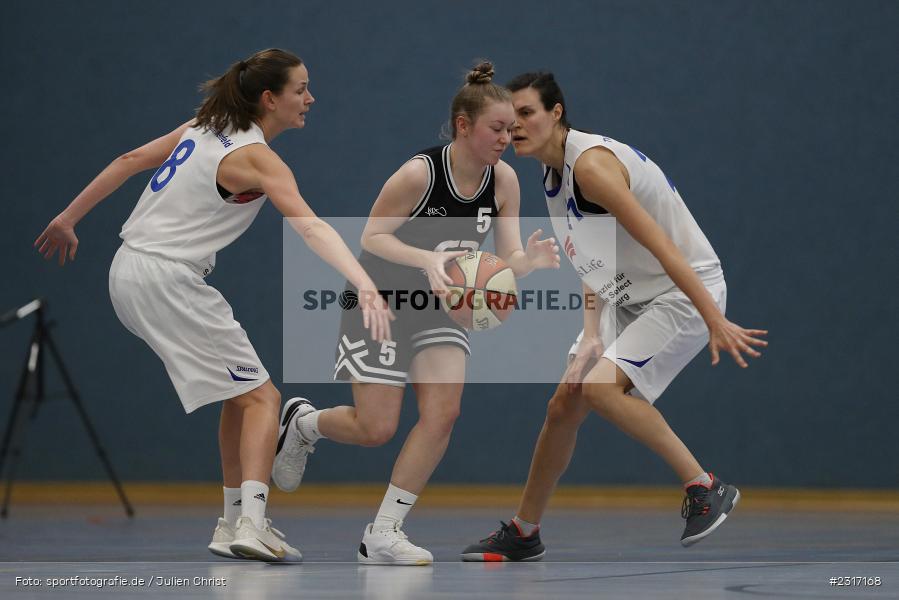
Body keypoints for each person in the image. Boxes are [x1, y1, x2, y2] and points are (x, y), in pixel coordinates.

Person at [33, 48, 392, 562]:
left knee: (240, 393)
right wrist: (363, 280)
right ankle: (252, 522)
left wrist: (68, 217)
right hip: (166, 278)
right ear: (270, 99)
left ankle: (230, 522)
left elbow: (128, 161)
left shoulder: (206, 123)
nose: (310, 98)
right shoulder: (258, 158)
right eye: (300, 89)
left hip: (127, 270)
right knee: (265, 400)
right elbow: (309, 226)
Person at [460, 72, 768, 561]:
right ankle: (524, 531)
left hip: (681, 291)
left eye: (526, 113)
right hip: (630, 295)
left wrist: (712, 316)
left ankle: (705, 486)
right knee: (565, 403)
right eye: (509, 117)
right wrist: (588, 335)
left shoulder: (592, 169)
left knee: (602, 389)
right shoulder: (552, 170)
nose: (514, 125)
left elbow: (663, 246)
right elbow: (592, 258)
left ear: (556, 114)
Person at [272, 61, 560, 565]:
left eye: (512, 129)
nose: (505, 138)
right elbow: (371, 237)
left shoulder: (505, 181)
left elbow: (506, 257)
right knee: (375, 428)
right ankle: (304, 424)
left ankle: (383, 531)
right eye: (497, 128)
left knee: (444, 412)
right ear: (463, 125)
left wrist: (528, 265)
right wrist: (426, 257)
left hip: (440, 309)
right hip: (381, 297)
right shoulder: (419, 174)